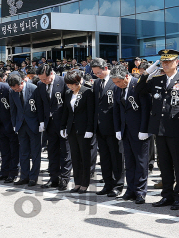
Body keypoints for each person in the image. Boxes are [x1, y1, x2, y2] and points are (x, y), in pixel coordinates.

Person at [136, 49, 179, 211]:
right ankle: (167, 194)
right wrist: (147, 72)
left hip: (177, 130)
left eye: (169, 61)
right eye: (163, 61)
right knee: (164, 164)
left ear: (177, 63)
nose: (165, 64)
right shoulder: (156, 80)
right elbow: (139, 89)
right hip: (159, 129)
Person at [111, 65, 151, 204]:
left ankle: (140, 191)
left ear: (126, 76)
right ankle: (131, 190)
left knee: (141, 162)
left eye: (118, 81)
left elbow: (146, 109)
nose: (116, 84)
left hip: (139, 130)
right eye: (114, 82)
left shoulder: (138, 86)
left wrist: (144, 129)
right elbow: (116, 110)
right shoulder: (117, 89)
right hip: (125, 130)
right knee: (129, 162)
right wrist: (117, 129)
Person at [91, 58, 125, 197]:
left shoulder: (115, 81)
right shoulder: (97, 83)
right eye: (95, 73)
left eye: (99, 73)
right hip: (100, 127)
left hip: (113, 126)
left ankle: (118, 185)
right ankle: (107, 184)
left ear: (105, 68)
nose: (97, 75)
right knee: (104, 158)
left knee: (116, 158)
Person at [58, 70, 95, 194]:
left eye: (71, 84)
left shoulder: (87, 92)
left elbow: (91, 113)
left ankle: (85, 183)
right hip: (72, 129)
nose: (69, 87)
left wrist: (90, 129)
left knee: (84, 157)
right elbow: (66, 111)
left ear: (78, 81)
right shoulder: (68, 93)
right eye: (68, 85)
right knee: (74, 156)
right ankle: (77, 182)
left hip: (84, 129)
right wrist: (63, 127)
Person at [36, 64, 72, 191]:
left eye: (45, 79)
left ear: (51, 73)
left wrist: (66, 124)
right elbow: (40, 105)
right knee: (52, 151)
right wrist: (41, 121)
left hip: (62, 122)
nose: (43, 81)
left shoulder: (63, 82)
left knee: (65, 151)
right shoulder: (40, 85)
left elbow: (68, 105)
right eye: (41, 79)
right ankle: (53, 178)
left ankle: (64, 178)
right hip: (49, 123)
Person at [8, 72, 44, 186]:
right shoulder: (12, 92)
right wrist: (14, 124)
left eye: (17, 88)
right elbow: (13, 110)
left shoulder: (34, 88)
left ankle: (33, 177)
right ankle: (24, 176)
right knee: (23, 152)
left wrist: (41, 123)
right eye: (13, 89)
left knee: (35, 153)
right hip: (21, 125)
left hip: (34, 124)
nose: (15, 90)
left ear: (22, 82)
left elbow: (40, 107)